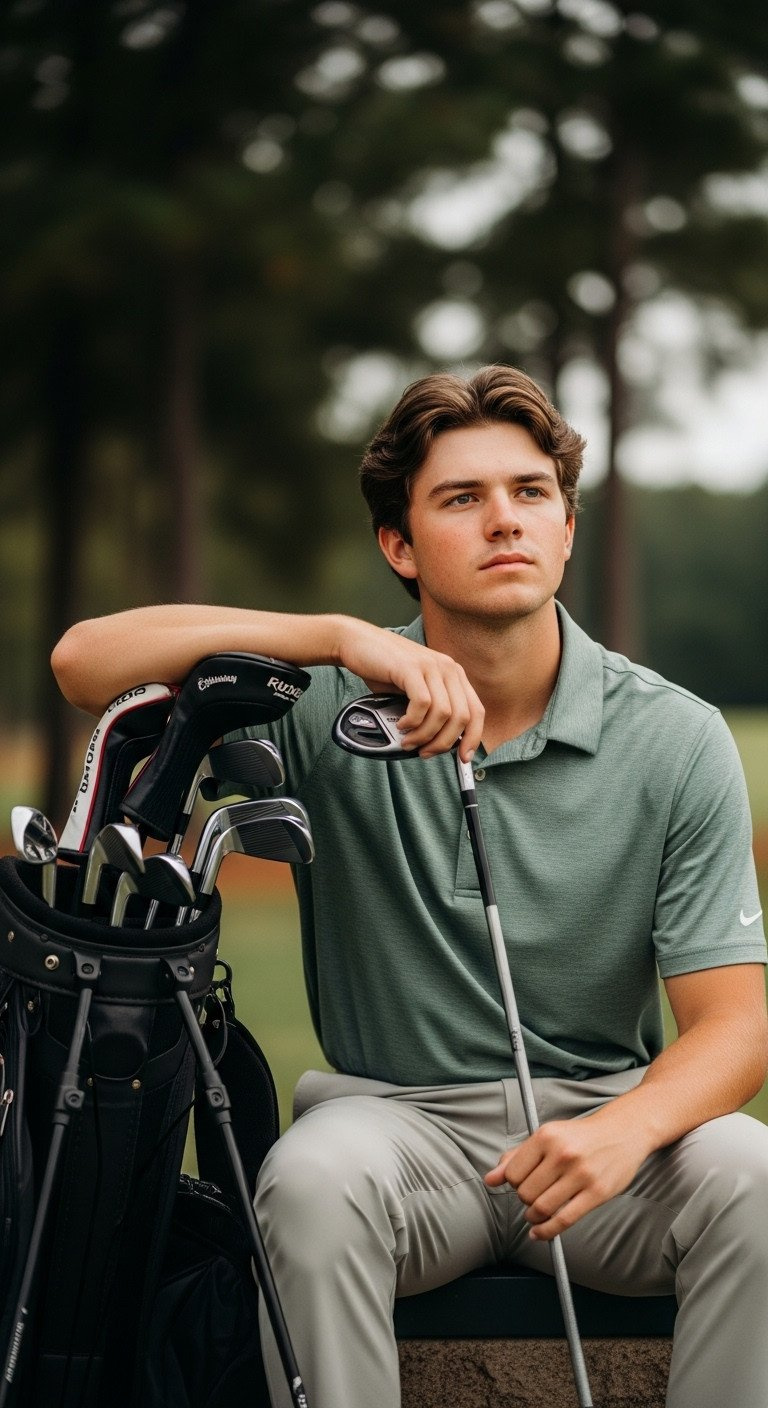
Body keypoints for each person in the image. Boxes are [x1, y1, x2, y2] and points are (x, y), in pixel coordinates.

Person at [52, 364, 768, 1408]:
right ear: (400, 545)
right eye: (461, 498)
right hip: (394, 1132)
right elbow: (85, 662)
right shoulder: (327, 698)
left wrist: (627, 1128)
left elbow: (735, 1027)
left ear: (568, 527)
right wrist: (332, 638)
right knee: (307, 1184)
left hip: (604, 1132)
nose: (505, 519)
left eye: (530, 492)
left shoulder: (677, 737)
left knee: (755, 1183)